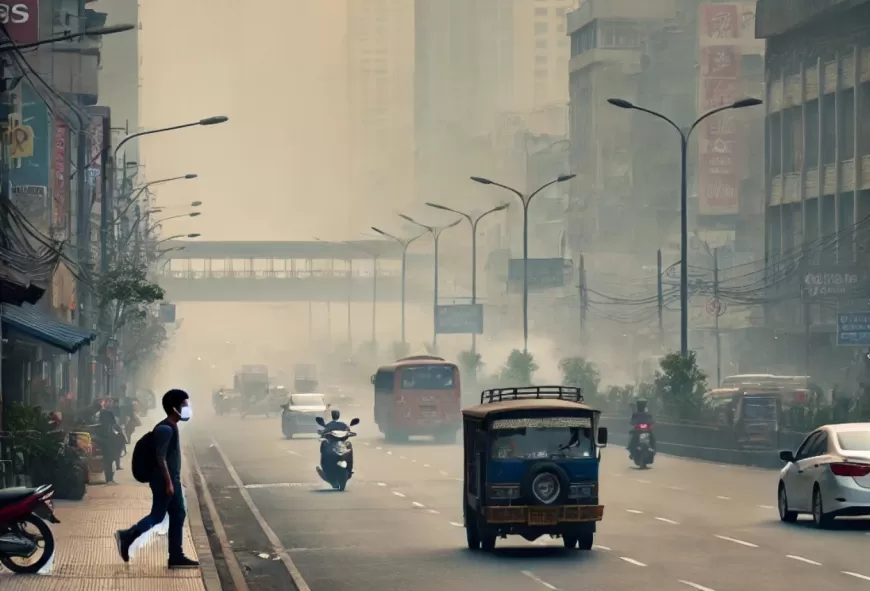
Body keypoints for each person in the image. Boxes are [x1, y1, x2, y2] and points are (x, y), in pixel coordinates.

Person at [114, 389, 199, 569]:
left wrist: (176, 479)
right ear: (174, 408)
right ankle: (127, 536)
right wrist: (169, 482)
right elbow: (161, 457)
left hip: (170, 479)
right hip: (163, 481)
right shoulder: (165, 429)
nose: (188, 409)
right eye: (185, 405)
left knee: (178, 514)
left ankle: (176, 555)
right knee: (158, 515)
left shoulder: (171, 427)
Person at [317, 409, 353, 481]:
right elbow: (324, 433)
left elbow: (348, 431)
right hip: (332, 445)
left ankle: (349, 468)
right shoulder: (337, 425)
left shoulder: (340, 425)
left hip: (341, 444)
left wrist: (350, 433)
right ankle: (325, 467)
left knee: (349, 445)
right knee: (324, 444)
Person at [97, 399, 120, 483]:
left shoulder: (98, 413)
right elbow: (114, 424)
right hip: (108, 439)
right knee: (109, 459)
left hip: (100, 437)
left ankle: (109, 478)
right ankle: (109, 479)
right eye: (108, 402)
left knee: (108, 459)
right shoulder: (108, 413)